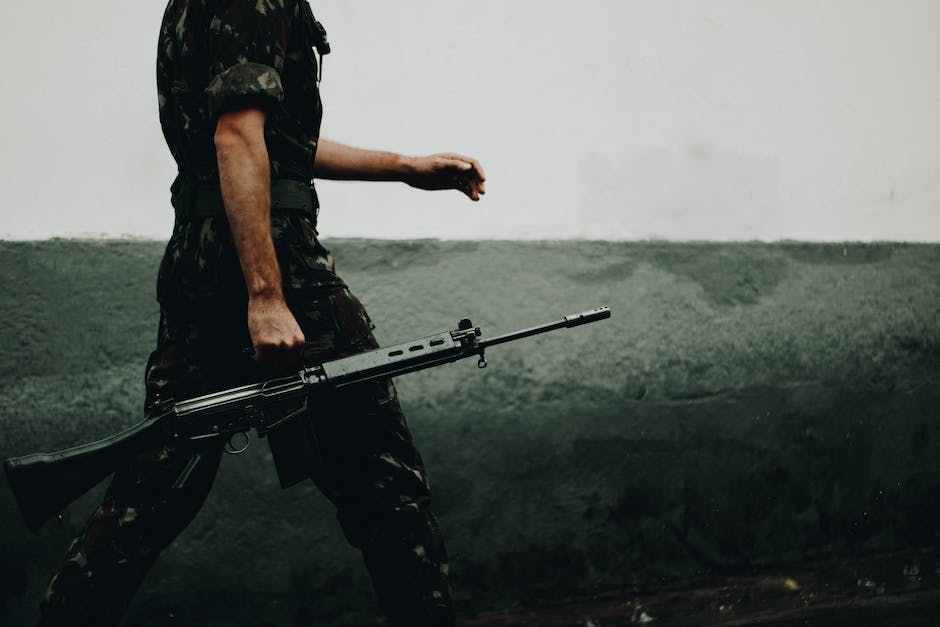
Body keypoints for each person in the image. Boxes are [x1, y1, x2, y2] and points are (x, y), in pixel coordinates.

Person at [36, 1, 485, 625]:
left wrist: (404, 168)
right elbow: (237, 138)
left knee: (150, 495)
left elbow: (274, 140)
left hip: (201, 262)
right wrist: (267, 295)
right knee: (389, 495)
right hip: (275, 264)